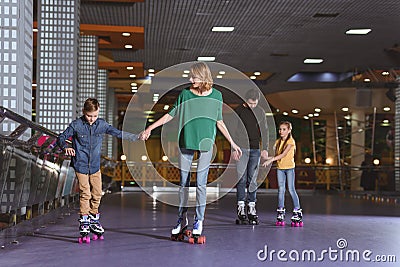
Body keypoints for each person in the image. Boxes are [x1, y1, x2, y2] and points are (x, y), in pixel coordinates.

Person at [140, 62, 242, 241]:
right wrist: (150, 128)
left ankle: (199, 220)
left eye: (193, 77)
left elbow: (219, 121)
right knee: (183, 184)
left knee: (201, 184)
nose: (190, 79)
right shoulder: (185, 94)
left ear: (203, 77)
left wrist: (233, 143)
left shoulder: (217, 96)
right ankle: (181, 219)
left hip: (206, 145)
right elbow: (170, 114)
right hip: (186, 142)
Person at [57, 98, 139, 242]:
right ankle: (84, 220)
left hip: (95, 166)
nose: (92, 119)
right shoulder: (76, 125)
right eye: (89, 116)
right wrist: (66, 147)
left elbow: (117, 132)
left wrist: (135, 137)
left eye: (95, 115)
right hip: (80, 165)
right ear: (84, 112)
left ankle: (93, 219)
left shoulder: (101, 124)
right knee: (85, 193)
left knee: (97, 193)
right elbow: (61, 137)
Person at [231, 89, 268, 225]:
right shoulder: (238, 111)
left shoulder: (260, 112)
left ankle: (251, 207)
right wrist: (233, 149)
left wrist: (265, 149)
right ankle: (241, 208)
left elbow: (265, 130)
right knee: (241, 179)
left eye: (255, 103)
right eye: (250, 103)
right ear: (245, 100)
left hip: (255, 150)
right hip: (241, 149)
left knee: (252, 180)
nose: (253, 106)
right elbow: (232, 132)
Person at [262, 121, 303, 227]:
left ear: (289, 130)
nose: (281, 131)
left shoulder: (291, 142)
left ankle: (297, 210)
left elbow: (283, 155)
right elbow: (275, 155)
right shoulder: (278, 142)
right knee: (281, 190)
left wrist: (270, 161)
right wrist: (265, 156)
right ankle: (281, 211)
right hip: (280, 168)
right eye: (280, 129)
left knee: (291, 189)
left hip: (289, 169)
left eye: (284, 129)